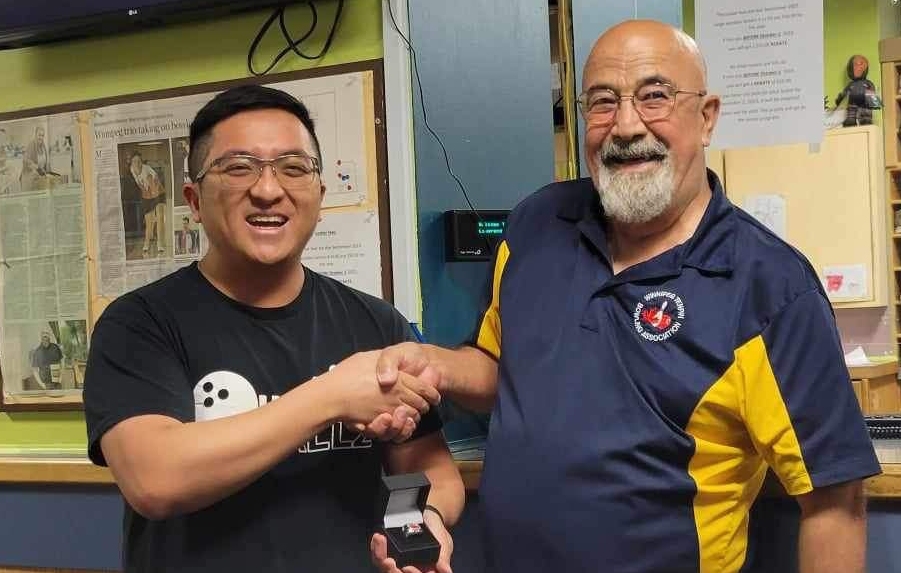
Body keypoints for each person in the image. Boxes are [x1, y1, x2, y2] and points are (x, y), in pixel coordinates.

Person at [373, 20, 880, 573]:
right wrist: (432, 364)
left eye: (655, 96)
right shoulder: (536, 225)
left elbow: (834, 504)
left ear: (707, 117)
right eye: (603, 101)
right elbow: (499, 368)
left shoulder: (771, 287)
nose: (626, 125)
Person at [83, 85, 463, 573]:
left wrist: (427, 518)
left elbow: (429, 467)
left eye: (293, 168)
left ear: (319, 196)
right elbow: (154, 480)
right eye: (239, 167)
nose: (267, 189)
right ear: (194, 200)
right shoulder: (138, 324)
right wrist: (333, 396)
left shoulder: (376, 323)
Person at [129, 152, 167, 257]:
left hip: (157, 191)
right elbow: (140, 184)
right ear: (131, 163)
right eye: (134, 161)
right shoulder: (132, 170)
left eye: (139, 161)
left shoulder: (146, 170)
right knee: (149, 222)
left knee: (159, 218)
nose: (137, 163)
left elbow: (153, 184)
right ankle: (146, 243)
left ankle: (160, 243)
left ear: (141, 162)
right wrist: (145, 193)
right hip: (147, 194)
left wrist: (152, 194)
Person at [835, 54, 881, 127]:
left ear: (865, 68)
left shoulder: (867, 83)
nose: (857, 68)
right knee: (851, 112)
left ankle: (866, 120)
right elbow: (844, 95)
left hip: (864, 104)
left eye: (860, 65)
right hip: (852, 104)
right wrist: (840, 99)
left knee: (865, 113)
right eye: (855, 65)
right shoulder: (850, 85)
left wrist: (874, 102)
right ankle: (850, 121)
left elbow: (872, 96)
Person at [20, 125, 57, 191]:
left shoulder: (43, 146)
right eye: (39, 135)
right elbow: (25, 160)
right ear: (35, 135)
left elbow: (45, 162)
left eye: (42, 135)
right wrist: (36, 167)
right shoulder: (31, 144)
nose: (41, 137)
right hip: (29, 179)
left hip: (38, 178)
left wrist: (48, 173)